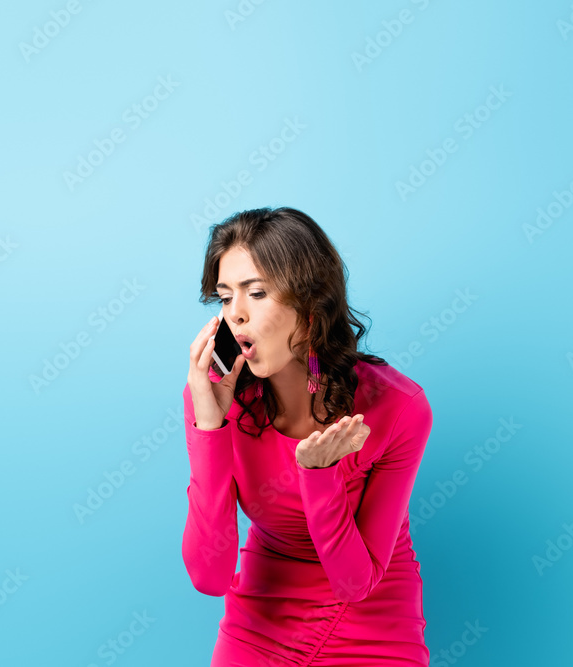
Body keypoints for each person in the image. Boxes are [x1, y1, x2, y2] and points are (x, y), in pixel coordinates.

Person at [182, 207, 433, 666]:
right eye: (223, 298)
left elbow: (355, 583)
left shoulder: (398, 407)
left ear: (311, 304)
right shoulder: (214, 397)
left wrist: (318, 476)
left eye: (256, 293)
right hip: (262, 614)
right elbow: (209, 576)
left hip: (371, 619)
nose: (234, 315)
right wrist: (210, 429)